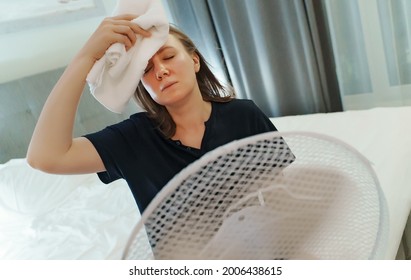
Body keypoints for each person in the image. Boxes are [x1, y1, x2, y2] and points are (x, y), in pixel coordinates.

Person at [27, 14, 279, 213]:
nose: (161, 71)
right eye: (146, 69)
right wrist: (85, 57)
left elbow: (281, 192)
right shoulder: (131, 139)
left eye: (169, 57)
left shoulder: (244, 115)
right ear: (142, 84)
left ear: (194, 61)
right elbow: (44, 157)